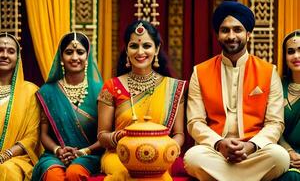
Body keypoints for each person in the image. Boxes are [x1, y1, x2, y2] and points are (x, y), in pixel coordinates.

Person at [183, 1, 290, 181]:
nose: (231, 36)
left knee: (279, 157)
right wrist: (219, 144)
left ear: (248, 33)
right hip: (215, 151)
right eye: (225, 30)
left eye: (237, 29)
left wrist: (252, 146)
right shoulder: (200, 71)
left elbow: (275, 123)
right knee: (192, 157)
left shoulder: (268, 71)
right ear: (217, 34)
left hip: (254, 151)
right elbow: (195, 122)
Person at [97, 20, 186, 181]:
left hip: (160, 156)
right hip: (120, 155)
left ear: (157, 49)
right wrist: (119, 137)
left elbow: (179, 134)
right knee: (127, 173)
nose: (140, 52)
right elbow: (102, 135)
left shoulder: (173, 88)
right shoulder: (111, 86)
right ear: (126, 50)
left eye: (146, 46)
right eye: (134, 46)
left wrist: (166, 149)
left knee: (159, 174)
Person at [32, 32, 104, 181]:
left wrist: (83, 152)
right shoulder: (48, 91)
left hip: (90, 154)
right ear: (61, 57)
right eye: (69, 52)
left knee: (74, 173)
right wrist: (58, 150)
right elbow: (44, 134)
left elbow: (105, 133)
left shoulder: (101, 91)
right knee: (53, 175)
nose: (75, 57)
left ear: (87, 56)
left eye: (80, 52)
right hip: (56, 155)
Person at [0, 32, 42, 180]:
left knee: (6, 170)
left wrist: (6, 155)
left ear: (18, 58)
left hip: (17, 159)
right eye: (0, 50)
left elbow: (32, 136)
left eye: (11, 51)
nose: (4, 55)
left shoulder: (31, 92)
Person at [278, 29, 300, 180]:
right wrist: (289, 151)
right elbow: (272, 126)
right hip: (283, 155)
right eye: (291, 51)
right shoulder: (277, 86)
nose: (296, 56)